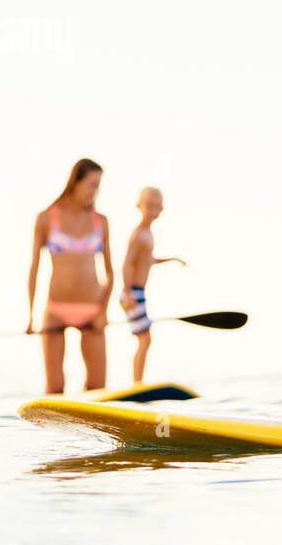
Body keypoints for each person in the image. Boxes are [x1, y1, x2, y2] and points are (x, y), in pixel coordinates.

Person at [28, 159, 114, 394]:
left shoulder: (101, 221)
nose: (95, 191)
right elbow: (34, 268)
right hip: (56, 310)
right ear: (75, 182)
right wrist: (30, 314)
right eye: (92, 184)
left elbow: (110, 273)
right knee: (54, 388)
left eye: (99, 185)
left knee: (98, 389)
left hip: (92, 312)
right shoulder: (46, 218)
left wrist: (103, 311)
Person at [120, 187, 186, 383]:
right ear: (139, 206)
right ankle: (137, 383)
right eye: (148, 206)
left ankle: (138, 381)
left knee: (145, 339)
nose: (152, 210)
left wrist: (172, 259)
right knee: (145, 339)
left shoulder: (148, 234)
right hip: (132, 293)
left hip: (138, 292)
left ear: (161, 209)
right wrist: (127, 292)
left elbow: (148, 260)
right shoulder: (138, 234)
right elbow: (126, 263)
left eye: (156, 207)